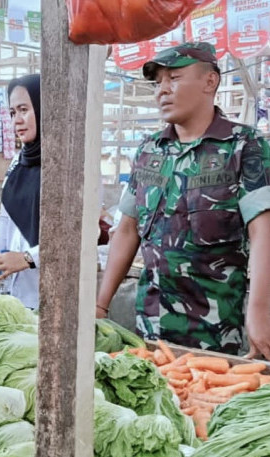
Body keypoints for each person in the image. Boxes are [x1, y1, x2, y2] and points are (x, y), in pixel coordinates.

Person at [96, 42, 270, 357]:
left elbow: (264, 233)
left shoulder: (244, 146)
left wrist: (259, 312)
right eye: (157, 82)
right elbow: (128, 229)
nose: (162, 90)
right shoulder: (150, 150)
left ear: (210, 81)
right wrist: (100, 304)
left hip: (216, 333)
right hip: (149, 330)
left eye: (174, 78)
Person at [0, 74, 41, 309]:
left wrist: (28, 258)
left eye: (24, 109)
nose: (17, 120)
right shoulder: (19, 162)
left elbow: (79, 236)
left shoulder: (71, 165)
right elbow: (6, 219)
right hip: (13, 295)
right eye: (13, 112)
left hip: (50, 294)